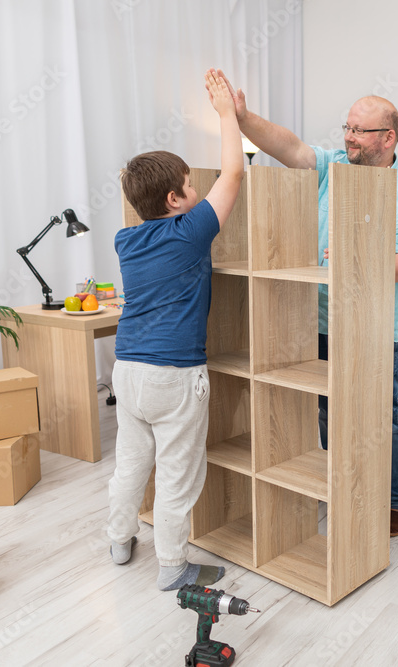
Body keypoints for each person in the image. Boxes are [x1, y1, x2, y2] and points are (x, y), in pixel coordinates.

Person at [229, 80, 398, 537]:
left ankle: (395, 497)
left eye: (361, 131)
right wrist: (244, 120)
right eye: (348, 127)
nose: (349, 137)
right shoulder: (333, 168)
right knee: (327, 410)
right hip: (318, 319)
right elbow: (290, 147)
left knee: (380, 414)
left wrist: (354, 259)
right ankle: (342, 480)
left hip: (375, 326)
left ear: (389, 138)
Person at [107, 68, 244, 590]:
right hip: (174, 377)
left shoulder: (126, 239)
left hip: (129, 372)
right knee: (178, 476)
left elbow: (213, 182)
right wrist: (226, 113)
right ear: (174, 200)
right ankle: (173, 568)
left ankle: (120, 541)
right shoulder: (190, 233)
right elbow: (233, 174)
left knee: (131, 465)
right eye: (190, 185)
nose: (197, 190)